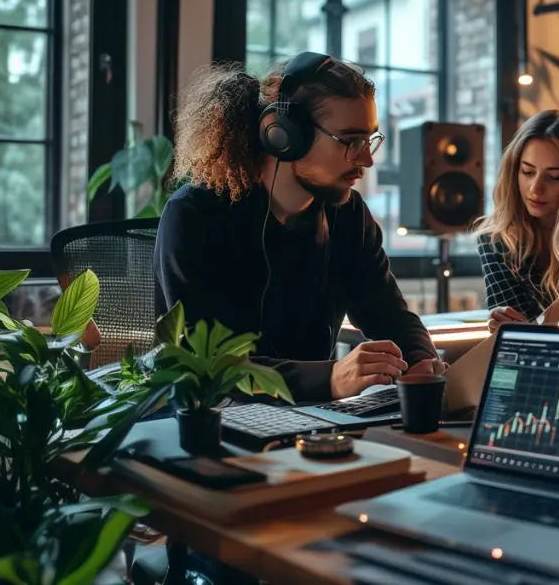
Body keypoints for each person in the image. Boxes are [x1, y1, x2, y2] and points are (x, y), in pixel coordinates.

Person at [154, 52, 442, 403]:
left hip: (314, 421)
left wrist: (422, 360)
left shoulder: (347, 214)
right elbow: (213, 367)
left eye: (369, 140)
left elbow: (388, 312)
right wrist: (332, 378)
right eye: (350, 141)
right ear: (284, 135)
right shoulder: (195, 217)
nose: (366, 159)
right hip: (214, 425)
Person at [474, 110, 559, 332]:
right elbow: (515, 334)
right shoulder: (496, 239)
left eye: (554, 177)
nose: (535, 189)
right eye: (527, 172)